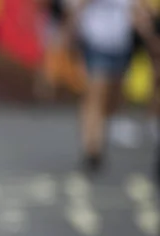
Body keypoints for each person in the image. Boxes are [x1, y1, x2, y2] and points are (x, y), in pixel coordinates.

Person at [62, 0, 140, 171]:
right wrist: (69, 35)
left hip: (121, 46)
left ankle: (99, 136)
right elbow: (76, 9)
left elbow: (136, 11)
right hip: (95, 44)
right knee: (95, 95)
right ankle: (91, 147)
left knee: (111, 98)